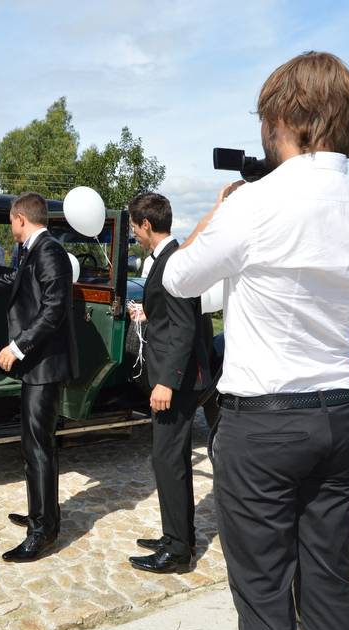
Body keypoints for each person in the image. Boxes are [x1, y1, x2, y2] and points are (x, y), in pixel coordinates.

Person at [162, 52, 349, 630]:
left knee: (264, 595)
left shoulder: (253, 204)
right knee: (328, 582)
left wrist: (221, 210)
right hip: (339, 418)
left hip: (264, 426)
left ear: (283, 120)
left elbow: (178, 279)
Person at [0, 192, 78, 562]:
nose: (10, 228)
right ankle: (39, 513)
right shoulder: (32, 251)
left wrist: (17, 347)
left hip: (44, 365)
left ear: (21, 219)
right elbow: (13, 282)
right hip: (35, 366)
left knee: (39, 447)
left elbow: (54, 308)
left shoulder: (50, 251)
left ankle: (43, 532)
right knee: (31, 444)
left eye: (11, 221)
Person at [126, 193, 210, 575]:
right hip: (172, 377)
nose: (132, 233)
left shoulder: (173, 260)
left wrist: (167, 383)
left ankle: (177, 552)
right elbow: (173, 314)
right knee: (169, 460)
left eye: (132, 226)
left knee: (168, 460)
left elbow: (186, 327)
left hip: (174, 382)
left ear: (146, 224)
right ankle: (178, 536)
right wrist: (147, 312)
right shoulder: (168, 258)